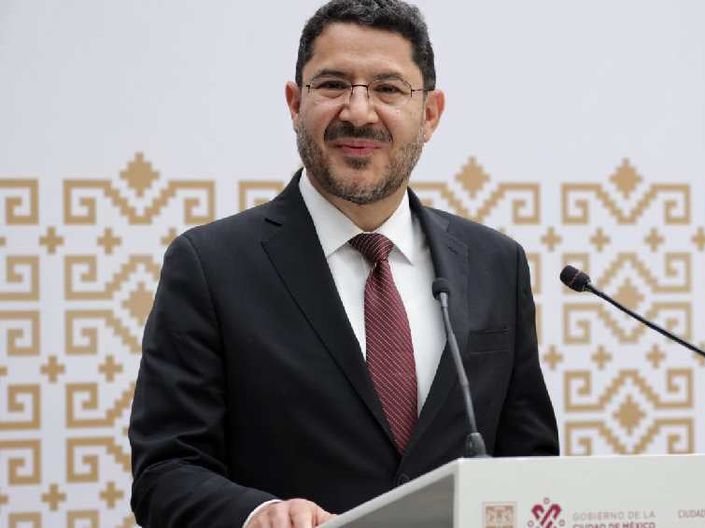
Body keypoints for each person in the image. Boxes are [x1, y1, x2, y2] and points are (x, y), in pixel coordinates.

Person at [128, 0, 559, 526]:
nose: (358, 112)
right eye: (332, 85)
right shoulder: (210, 266)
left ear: (430, 114)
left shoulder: (496, 264)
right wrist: (257, 513)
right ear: (294, 104)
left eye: (388, 89)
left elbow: (531, 463)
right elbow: (166, 472)